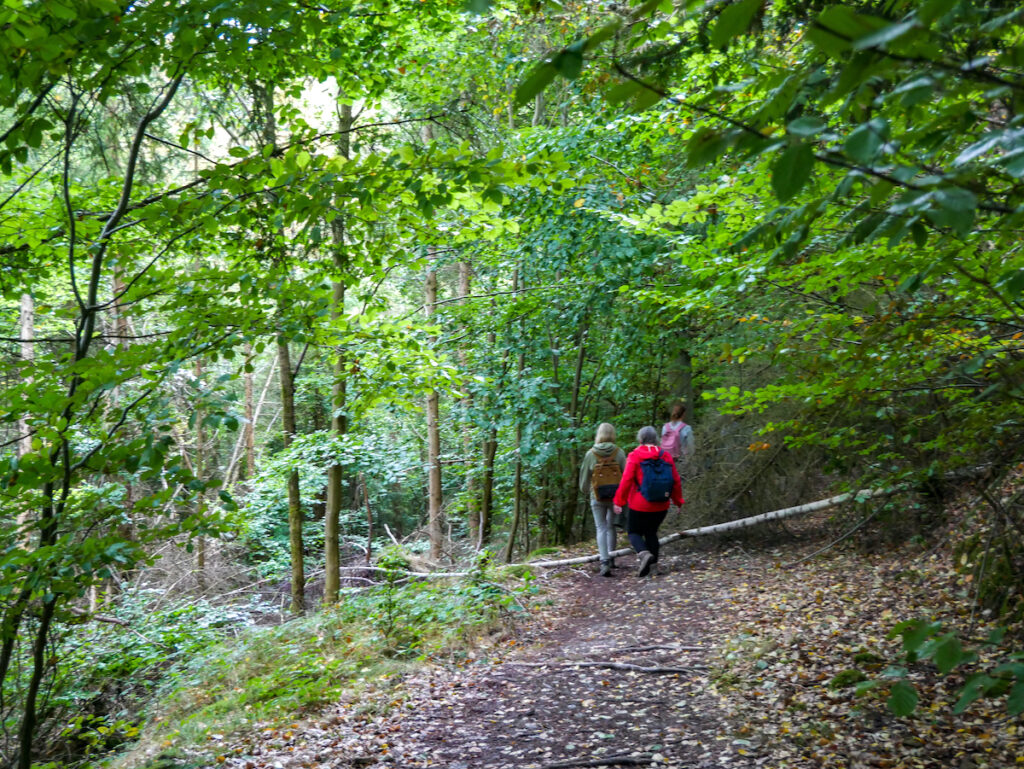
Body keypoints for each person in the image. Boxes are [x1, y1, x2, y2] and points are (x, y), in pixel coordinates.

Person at [613, 426, 683, 577]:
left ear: (640, 439)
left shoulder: (635, 455)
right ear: (656, 439)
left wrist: (619, 501)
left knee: (633, 532)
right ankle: (654, 567)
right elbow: (675, 481)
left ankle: (644, 554)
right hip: (661, 504)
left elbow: (626, 480)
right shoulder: (666, 456)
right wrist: (678, 501)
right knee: (651, 532)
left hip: (640, 504)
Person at [579, 422, 627, 577]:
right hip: (615, 496)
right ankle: (612, 558)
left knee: (601, 528)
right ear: (613, 434)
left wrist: (586, 490)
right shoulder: (619, 453)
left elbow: (584, 477)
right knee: (611, 526)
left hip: (597, 496)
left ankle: (604, 561)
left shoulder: (591, 454)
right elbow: (626, 475)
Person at [660, 403, 695, 471]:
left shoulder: (665, 427)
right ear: (683, 414)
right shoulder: (687, 428)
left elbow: (662, 442)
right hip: (681, 461)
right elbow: (691, 447)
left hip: (665, 461)